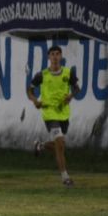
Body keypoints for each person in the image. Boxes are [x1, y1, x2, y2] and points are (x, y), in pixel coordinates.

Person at [27, 45, 80, 188]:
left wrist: (71, 96)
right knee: (60, 143)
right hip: (49, 113)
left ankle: (41, 145)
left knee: (59, 145)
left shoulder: (68, 73)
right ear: (48, 57)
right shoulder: (42, 75)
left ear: (61, 56)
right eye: (52, 54)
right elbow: (30, 90)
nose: (55, 57)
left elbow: (76, 88)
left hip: (63, 113)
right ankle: (65, 178)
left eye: (57, 54)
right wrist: (35, 101)